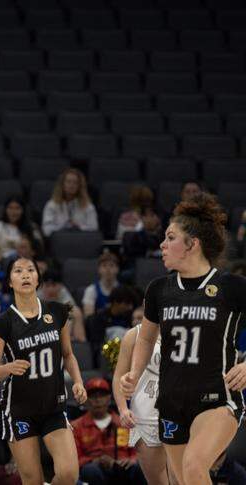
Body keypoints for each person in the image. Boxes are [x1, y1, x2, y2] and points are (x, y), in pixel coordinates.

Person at [121, 192, 246, 485]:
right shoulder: (158, 289)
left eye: (171, 238)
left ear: (192, 244)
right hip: (171, 401)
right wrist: (135, 373)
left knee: (193, 466)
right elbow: (146, 340)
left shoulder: (231, 287)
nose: (162, 245)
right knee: (182, 480)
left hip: (217, 398)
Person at [0, 256, 88, 485]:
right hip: (20, 410)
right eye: (18, 271)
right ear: (10, 282)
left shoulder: (57, 312)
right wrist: (8, 367)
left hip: (53, 407)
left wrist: (78, 382)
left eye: (30, 270)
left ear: (37, 279)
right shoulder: (4, 322)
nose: (25, 274)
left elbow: (68, 354)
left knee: (69, 474)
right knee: (32, 480)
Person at [113, 322, 170, 484]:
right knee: (157, 481)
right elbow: (118, 377)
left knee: (183, 478)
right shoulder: (134, 334)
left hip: (177, 413)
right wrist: (123, 409)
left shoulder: (184, 329)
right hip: (145, 415)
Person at [72, 378, 143, 485]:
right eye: (93, 396)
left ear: (109, 397)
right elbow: (75, 459)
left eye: (102, 395)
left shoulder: (124, 423)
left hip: (122, 467)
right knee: (90, 471)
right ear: (86, 399)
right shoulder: (76, 426)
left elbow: (137, 452)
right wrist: (95, 461)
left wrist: (131, 460)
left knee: (138, 467)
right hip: (94, 469)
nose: (98, 400)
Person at [42, 168, 98, 237]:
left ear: (79, 186)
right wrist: (64, 228)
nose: (71, 185)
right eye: (68, 182)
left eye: (75, 182)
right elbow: (46, 230)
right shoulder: (51, 205)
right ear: (62, 184)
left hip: (81, 241)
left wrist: (79, 227)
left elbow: (94, 229)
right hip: (59, 241)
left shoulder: (88, 206)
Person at [0, 196, 43, 263]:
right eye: (10, 208)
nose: (13, 212)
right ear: (5, 210)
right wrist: (6, 263)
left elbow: (38, 251)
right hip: (4, 264)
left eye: (17, 208)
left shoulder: (32, 227)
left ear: (23, 210)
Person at [37, 269, 86, 343]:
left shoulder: (63, 292)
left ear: (61, 285)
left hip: (62, 332)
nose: (51, 289)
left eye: (54, 285)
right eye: (47, 286)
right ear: (42, 286)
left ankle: (80, 343)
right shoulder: (37, 295)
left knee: (76, 312)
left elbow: (71, 309)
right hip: (42, 337)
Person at [87, 285, 137, 357]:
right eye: (127, 303)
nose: (130, 307)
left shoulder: (130, 318)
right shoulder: (98, 319)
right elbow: (97, 346)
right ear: (116, 302)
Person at [82, 253, 121, 318]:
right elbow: (88, 317)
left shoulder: (124, 290)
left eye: (111, 265)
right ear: (99, 269)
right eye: (104, 265)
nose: (108, 269)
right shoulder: (91, 290)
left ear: (117, 269)